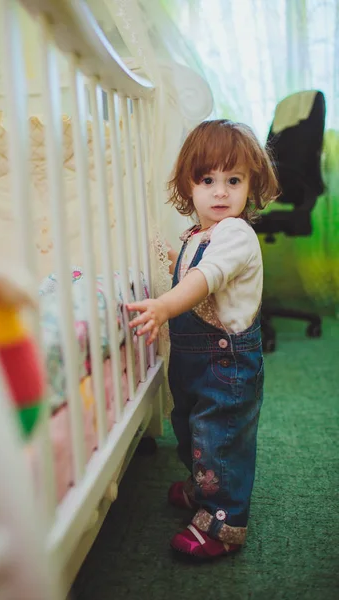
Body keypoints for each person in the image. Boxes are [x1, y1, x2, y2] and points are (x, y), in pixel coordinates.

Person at [128, 119, 278, 560]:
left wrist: (164, 306)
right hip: (198, 365)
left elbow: (204, 278)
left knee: (220, 438)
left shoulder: (236, 234)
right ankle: (202, 486)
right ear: (188, 185)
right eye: (207, 179)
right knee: (191, 428)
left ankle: (222, 523)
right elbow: (194, 263)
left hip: (226, 366)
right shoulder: (200, 235)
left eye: (233, 180)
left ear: (251, 186)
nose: (220, 192)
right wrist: (167, 254)